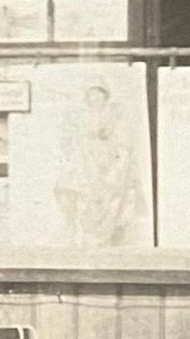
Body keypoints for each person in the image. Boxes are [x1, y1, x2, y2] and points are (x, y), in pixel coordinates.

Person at [52, 82, 143, 246]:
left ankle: (103, 235)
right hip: (85, 163)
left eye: (99, 94)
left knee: (108, 198)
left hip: (107, 163)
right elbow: (71, 142)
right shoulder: (80, 117)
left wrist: (115, 160)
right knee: (81, 196)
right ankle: (84, 233)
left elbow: (122, 143)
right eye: (91, 95)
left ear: (105, 96)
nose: (95, 98)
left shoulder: (114, 116)